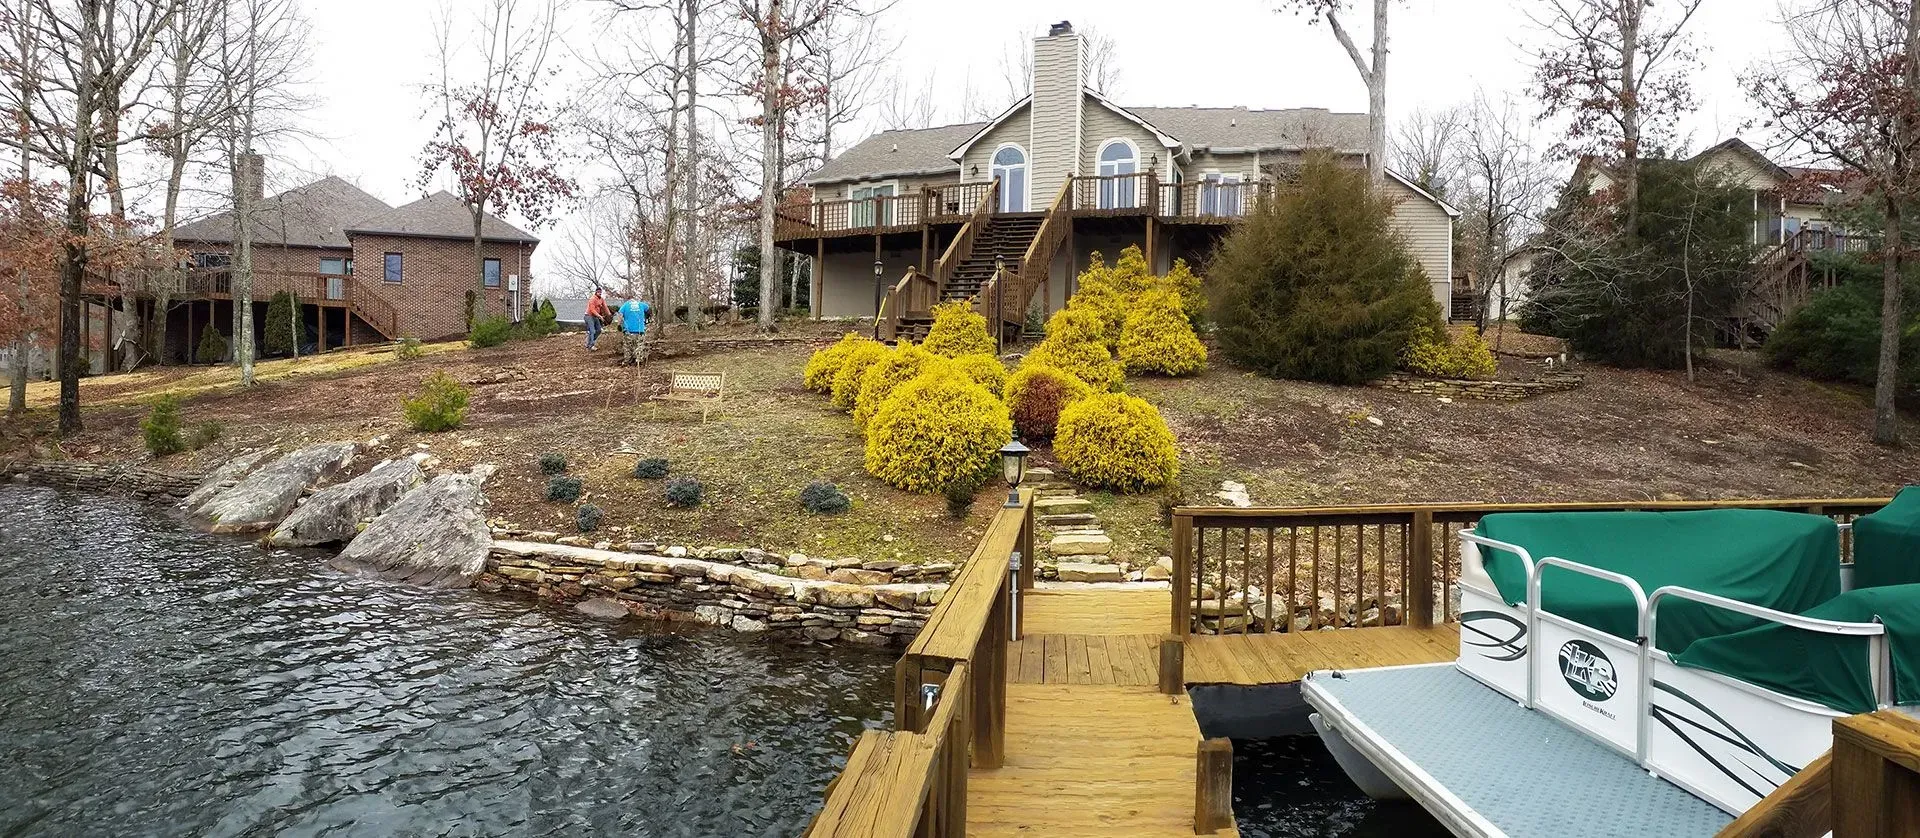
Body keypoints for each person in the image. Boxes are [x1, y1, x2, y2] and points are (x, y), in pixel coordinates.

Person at [618, 294, 651, 366]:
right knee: (639, 345)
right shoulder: (641, 304)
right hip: (640, 329)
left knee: (628, 346)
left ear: (628, 299)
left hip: (628, 330)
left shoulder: (625, 305)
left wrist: (619, 325)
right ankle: (638, 360)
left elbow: (620, 314)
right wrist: (646, 318)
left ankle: (627, 361)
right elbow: (649, 310)